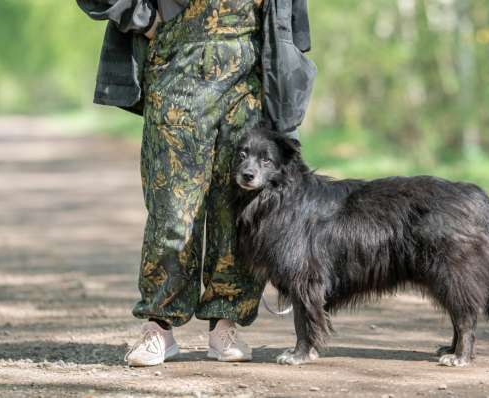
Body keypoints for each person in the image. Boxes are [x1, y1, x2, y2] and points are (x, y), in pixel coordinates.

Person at [76, 0, 314, 366]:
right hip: (177, 66)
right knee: (172, 208)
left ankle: (226, 324)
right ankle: (160, 328)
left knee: (238, 207)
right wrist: (141, 17)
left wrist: (286, 70)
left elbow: (291, 24)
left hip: (249, 76)